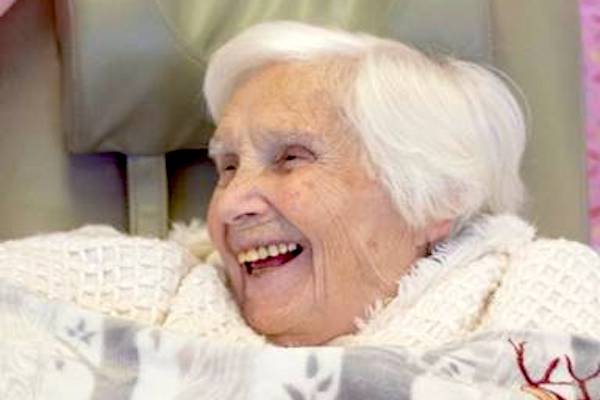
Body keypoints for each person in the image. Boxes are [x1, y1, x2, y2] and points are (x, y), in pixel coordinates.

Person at [165, 20, 600, 348]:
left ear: (434, 197)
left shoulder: (546, 300)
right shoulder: (159, 293)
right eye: (228, 167)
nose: (231, 204)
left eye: (290, 158)